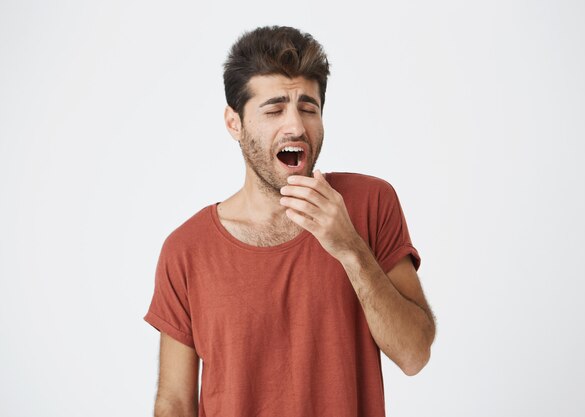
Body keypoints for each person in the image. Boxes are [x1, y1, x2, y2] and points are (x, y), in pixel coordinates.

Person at [144, 25, 436, 417]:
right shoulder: (187, 250)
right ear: (235, 123)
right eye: (275, 108)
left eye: (308, 107)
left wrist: (350, 248)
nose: (296, 126)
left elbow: (414, 354)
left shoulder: (370, 204)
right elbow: (175, 403)